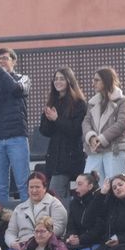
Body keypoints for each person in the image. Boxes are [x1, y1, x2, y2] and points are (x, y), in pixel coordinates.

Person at [0, 48, 32, 204]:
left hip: (17, 138)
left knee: (23, 183)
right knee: (0, 186)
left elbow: (16, 89)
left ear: (14, 61)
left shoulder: (23, 78)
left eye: (4, 58)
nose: (1, 62)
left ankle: (28, 215)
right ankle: (3, 217)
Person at [39, 67, 88, 195]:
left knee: (55, 195)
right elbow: (45, 131)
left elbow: (76, 130)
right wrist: (48, 118)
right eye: (56, 79)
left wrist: (57, 119)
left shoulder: (79, 103)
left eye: (62, 79)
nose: (58, 82)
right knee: (56, 195)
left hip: (70, 156)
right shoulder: (52, 102)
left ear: (69, 81)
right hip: (54, 156)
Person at [83, 67, 125, 182]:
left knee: (114, 184)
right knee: (91, 185)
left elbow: (122, 123)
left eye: (97, 80)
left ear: (106, 81)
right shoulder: (92, 103)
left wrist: (101, 139)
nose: (93, 83)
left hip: (114, 150)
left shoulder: (123, 101)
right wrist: (91, 137)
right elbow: (86, 122)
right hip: (95, 150)